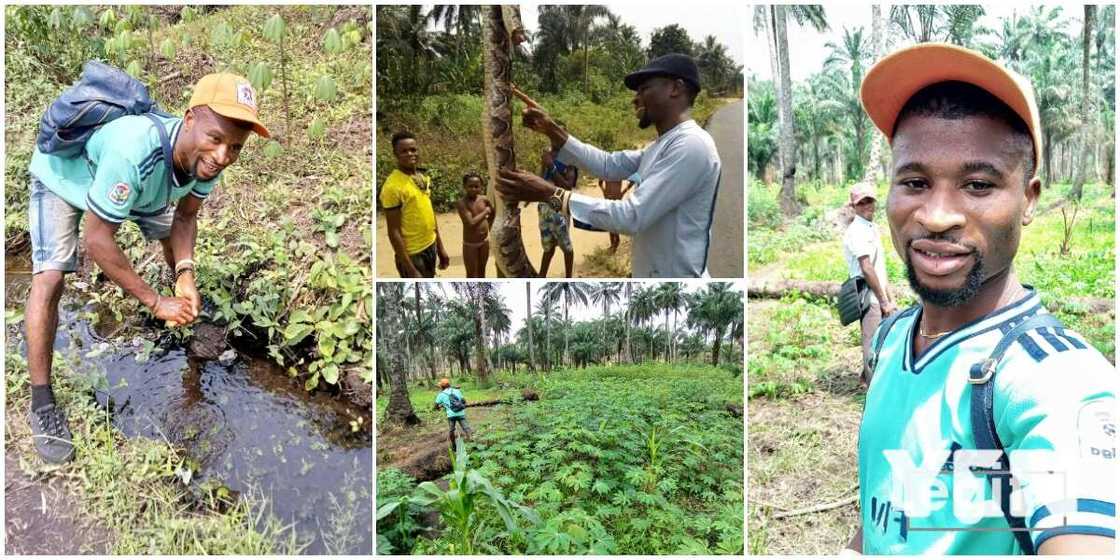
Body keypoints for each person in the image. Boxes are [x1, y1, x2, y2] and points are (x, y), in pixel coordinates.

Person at [846, 43, 1115, 555]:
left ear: (1028, 198)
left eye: (976, 184)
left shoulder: (1052, 380)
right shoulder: (895, 336)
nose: (937, 214)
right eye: (915, 181)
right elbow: (889, 503)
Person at [25, 72, 270, 464]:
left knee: (167, 233)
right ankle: (41, 401)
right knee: (51, 277)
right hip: (64, 177)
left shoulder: (208, 161)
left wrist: (185, 274)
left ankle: (189, 312)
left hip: (136, 186)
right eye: (216, 139)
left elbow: (185, 218)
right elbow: (99, 240)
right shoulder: (134, 152)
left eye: (235, 147)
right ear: (189, 120)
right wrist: (155, 302)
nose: (223, 156)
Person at [497, 53, 721, 278]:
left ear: (675, 88)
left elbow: (631, 217)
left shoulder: (691, 145)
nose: (635, 98)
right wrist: (552, 130)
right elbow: (608, 164)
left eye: (644, 89)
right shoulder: (660, 146)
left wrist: (549, 193)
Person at [842, 181, 897, 388]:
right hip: (869, 296)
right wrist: (883, 301)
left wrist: (890, 298)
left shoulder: (870, 228)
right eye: (861, 202)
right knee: (871, 342)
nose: (867, 206)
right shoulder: (857, 231)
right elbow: (867, 268)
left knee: (882, 338)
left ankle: (867, 379)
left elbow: (879, 268)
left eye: (869, 201)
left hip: (879, 294)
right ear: (853, 206)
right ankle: (874, 389)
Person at [381, 131, 449, 278]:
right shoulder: (392, 187)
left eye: (413, 150)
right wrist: (411, 270)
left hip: (430, 246)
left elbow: (429, 214)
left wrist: (440, 248)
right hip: (412, 254)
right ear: (395, 154)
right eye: (404, 151)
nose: (410, 154)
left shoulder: (421, 178)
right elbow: (394, 232)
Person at [539, 148, 576, 277]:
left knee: (566, 247)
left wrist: (551, 166)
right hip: (544, 207)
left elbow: (567, 186)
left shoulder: (569, 160)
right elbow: (541, 179)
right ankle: (541, 276)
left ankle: (568, 278)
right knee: (548, 246)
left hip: (560, 207)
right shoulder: (546, 155)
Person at [456, 172, 493, 278]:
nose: (473, 189)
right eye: (470, 186)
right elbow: (470, 223)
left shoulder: (484, 200)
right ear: (464, 187)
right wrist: (486, 212)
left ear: (481, 187)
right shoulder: (462, 203)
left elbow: (493, 214)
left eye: (476, 186)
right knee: (471, 274)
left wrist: (488, 221)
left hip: (484, 242)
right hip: (470, 244)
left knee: (482, 271)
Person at [433, 378, 472, 450]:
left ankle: (454, 446)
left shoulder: (441, 394)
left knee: (451, 430)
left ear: (441, 386)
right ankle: (472, 443)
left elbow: (435, 407)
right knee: (466, 428)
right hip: (461, 413)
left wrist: (441, 407)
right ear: (449, 385)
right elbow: (464, 401)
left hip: (451, 415)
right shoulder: (457, 391)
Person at [597, 178, 633, 254]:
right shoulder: (606, 169)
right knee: (609, 221)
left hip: (616, 200)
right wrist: (604, 191)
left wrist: (622, 193)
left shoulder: (620, 170)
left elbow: (632, 181)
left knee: (614, 220)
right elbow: (600, 183)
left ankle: (616, 242)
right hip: (608, 199)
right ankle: (612, 244)